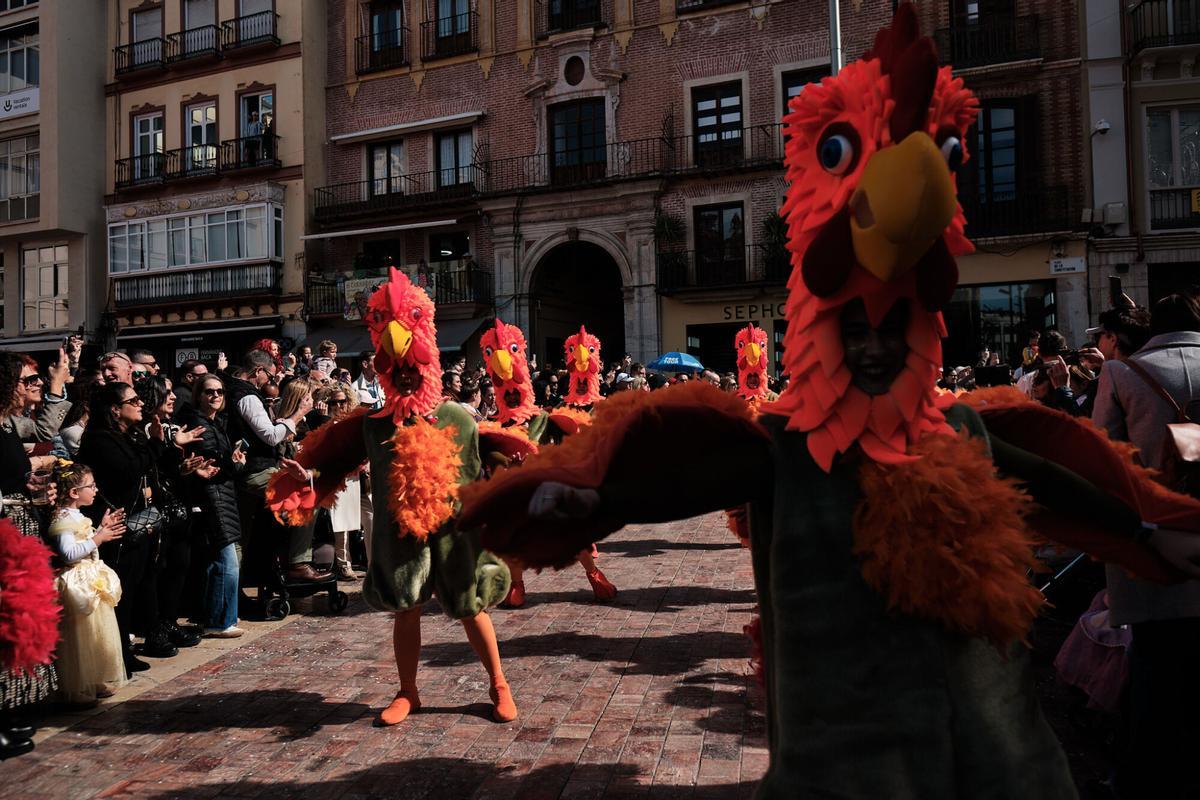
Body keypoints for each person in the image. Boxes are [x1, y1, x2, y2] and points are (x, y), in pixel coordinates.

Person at [267, 269, 516, 728]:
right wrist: (309, 477)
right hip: (399, 528)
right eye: (396, 371)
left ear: (429, 367)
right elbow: (335, 460)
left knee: (469, 605)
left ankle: (499, 683)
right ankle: (408, 692)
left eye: (412, 371)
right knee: (406, 604)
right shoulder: (375, 423)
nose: (404, 378)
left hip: (455, 529)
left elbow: (493, 463)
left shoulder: (457, 418)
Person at [1092, 288, 1200, 798]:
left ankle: (1150, 775)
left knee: (1156, 662)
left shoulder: (1122, 373)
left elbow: (1102, 457)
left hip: (1156, 533)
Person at [76, 383, 198, 671]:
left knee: (135, 587)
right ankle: (117, 655)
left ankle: (124, 651)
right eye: (133, 400)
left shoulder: (128, 435)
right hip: (115, 526)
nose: (141, 404)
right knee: (120, 590)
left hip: (137, 523)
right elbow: (128, 470)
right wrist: (156, 442)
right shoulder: (100, 439)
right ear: (115, 409)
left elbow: (146, 466)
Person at [225, 350, 325, 583]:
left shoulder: (233, 390)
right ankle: (299, 563)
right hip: (254, 470)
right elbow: (271, 437)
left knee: (241, 536)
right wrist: (300, 413)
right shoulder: (247, 396)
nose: (271, 382)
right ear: (258, 371)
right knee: (311, 494)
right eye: (270, 377)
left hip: (244, 470)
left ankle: (235, 594)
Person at [0, 352, 58, 754]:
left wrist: (35, 490)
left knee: (16, 623)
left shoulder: (6, 427)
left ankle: (9, 710)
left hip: (18, 530)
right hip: (4, 530)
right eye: (28, 379)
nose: (33, 385)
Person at [48, 463, 127, 707]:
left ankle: (96, 678)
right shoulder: (62, 517)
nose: (95, 490)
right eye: (90, 486)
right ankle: (78, 685)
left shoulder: (78, 515)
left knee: (98, 632)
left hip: (91, 580)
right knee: (79, 636)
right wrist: (98, 538)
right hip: (76, 584)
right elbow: (69, 553)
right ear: (73, 492)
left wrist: (101, 529)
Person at [183, 374, 246, 638]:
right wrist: (234, 463)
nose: (216, 396)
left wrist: (233, 462)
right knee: (226, 562)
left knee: (219, 561)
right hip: (213, 498)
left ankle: (218, 616)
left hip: (222, 496)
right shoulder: (201, 427)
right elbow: (213, 468)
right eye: (209, 392)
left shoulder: (214, 423)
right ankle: (220, 621)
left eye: (219, 391)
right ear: (198, 395)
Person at [314, 385, 362, 582]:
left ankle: (358, 561)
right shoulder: (324, 421)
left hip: (355, 475)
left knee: (354, 521)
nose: (339, 405)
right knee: (339, 522)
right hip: (335, 477)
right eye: (334, 402)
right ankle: (344, 565)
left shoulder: (354, 420)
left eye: (342, 401)